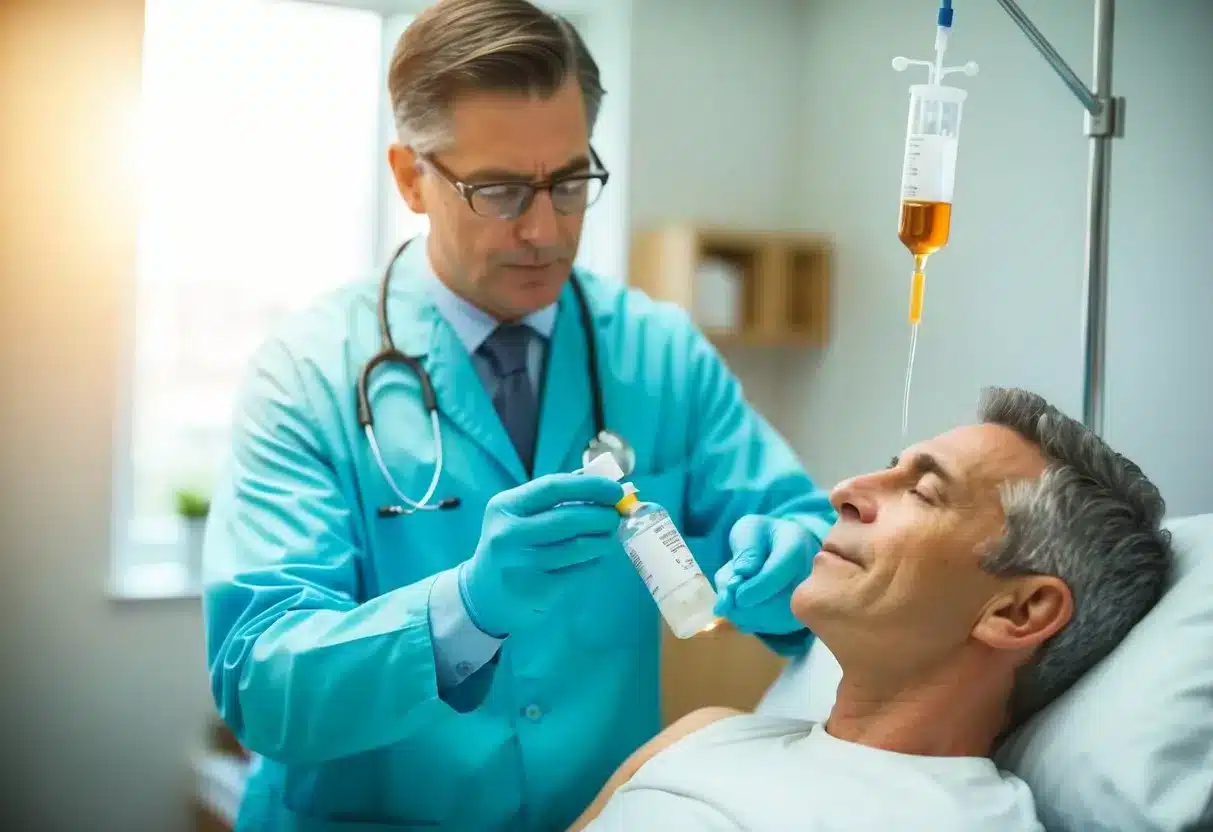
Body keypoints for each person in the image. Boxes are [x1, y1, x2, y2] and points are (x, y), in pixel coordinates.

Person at [201, 0, 836, 829]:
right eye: (498, 190)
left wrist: (796, 572)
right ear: (409, 177)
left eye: (570, 182)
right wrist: (464, 611)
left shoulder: (658, 355)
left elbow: (805, 540)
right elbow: (259, 681)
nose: (544, 229)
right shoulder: (308, 374)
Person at [569, 387, 1174, 831]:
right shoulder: (705, 734)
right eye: (889, 469)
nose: (842, 493)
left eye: (922, 491)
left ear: (1019, 612)